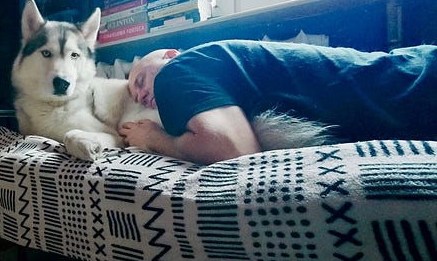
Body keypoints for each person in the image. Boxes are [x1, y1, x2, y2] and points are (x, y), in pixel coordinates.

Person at [118, 40, 437, 165]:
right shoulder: (218, 67)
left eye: (141, 80)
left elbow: (235, 151)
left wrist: (154, 138)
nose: (142, 95)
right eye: (136, 96)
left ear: (170, 54)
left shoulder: (176, 71)